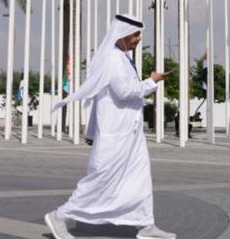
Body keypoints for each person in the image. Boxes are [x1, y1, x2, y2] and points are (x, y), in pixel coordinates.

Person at [45, 14, 175, 239]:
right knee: (100, 180)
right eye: (135, 34)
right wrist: (152, 81)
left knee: (140, 178)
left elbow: (100, 97)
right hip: (116, 135)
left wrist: (91, 130)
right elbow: (123, 92)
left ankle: (146, 225)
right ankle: (60, 216)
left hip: (131, 135)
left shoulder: (122, 57)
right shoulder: (113, 59)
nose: (138, 39)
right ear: (123, 33)